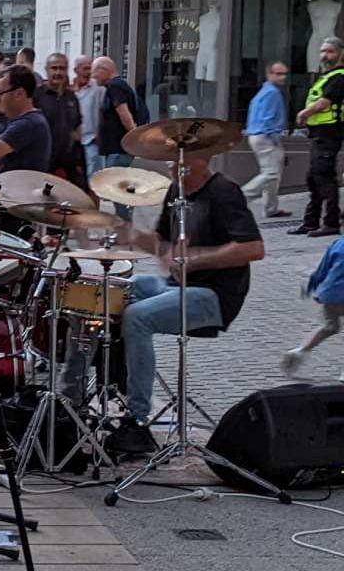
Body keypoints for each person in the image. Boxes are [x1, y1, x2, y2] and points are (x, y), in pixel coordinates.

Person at [105, 155, 263, 454]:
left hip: (214, 294)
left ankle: (137, 421)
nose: (172, 166)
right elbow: (163, 247)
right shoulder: (176, 192)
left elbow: (253, 248)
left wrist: (196, 259)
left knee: (137, 316)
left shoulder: (224, 191)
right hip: (177, 285)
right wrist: (130, 234)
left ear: (204, 159)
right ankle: (108, 385)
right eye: (170, 161)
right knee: (120, 288)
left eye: (181, 160)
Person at [290, 37, 344, 237]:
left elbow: (325, 103)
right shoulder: (326, 76)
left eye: (329, 51)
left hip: (330, 133)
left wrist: (304, 114)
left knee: (324, 177)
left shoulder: (339, 76)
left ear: (340, 53)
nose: (324, 55)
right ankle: (311, 222)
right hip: (319, 134)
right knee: (314, 178)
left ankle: (331, 223)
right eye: (322, 51)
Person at [282, 234, 344, 381]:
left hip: (330, 293)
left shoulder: (338, 243)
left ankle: (299, 351)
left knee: (330, 327)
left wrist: (311, 285)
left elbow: (323, 269)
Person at [92, 56, 141, 222]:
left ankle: (126, 226)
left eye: (95, 72)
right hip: (117, 149)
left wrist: (134, 138)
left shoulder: (115, 87)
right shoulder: (120, 85)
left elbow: (124, 114)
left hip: (119, 150)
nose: (93, 76)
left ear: (104, 70)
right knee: (118, 188)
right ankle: (125, 225)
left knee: (115, 189)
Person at [242, 62, 291, 219]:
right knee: (271, 173)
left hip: (257, 135)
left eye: (284, 74)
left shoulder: (264, 92)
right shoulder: (272, 93)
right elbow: (267, 119)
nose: (283, 77)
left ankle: (271, 208)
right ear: (269, 74)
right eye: (279, 74)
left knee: (271, 173)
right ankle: (241, 197)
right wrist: (275, 138)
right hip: (265, 136)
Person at [34, 53, 85, 188]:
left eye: (62, 68)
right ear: (46, 70)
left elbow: (77, 125)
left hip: (68, 161)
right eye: (54, 68)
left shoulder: (72, 97)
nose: (58, 72)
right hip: (42, 161)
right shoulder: (36, 95)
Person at [73, 55, 105, 181]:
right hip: (74, 141)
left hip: (91, 140)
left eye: (90, 68)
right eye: (85, 69)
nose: (88, 72)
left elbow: (103, 112)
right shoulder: (70, 88)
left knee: (93, 178)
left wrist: (100, 135)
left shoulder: (98, 88)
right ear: (76, 70)